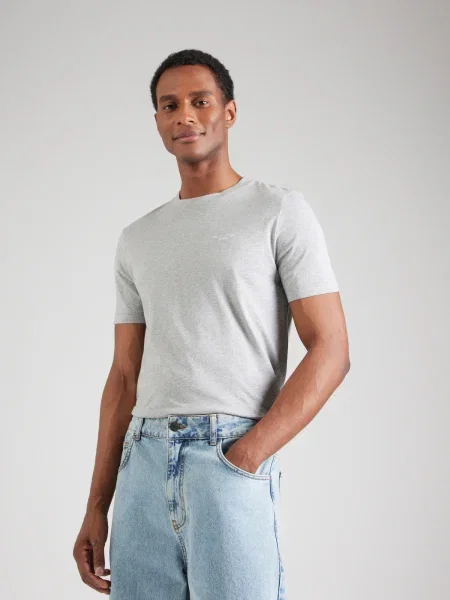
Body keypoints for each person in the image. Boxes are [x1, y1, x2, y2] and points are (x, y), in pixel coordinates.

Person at [73, 48, 350, 599]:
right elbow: (124, 376)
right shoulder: (138, 238)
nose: (185, 115)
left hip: (227, 456)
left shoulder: (278, 211)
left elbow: (331, 348)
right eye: (169, 105)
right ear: (157, 121)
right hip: (142, 463)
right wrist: (97, 505)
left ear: (229, 111)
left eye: (200, 101)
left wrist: (246, 455)